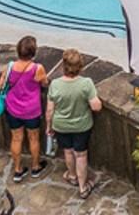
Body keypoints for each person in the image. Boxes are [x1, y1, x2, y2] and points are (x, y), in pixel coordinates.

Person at [46, 48, 104, 198]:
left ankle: (72, 176)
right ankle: (83, 187)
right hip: (81, 126)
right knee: (80, 155)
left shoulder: (55, 84)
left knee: (68, 151)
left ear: (63, 66)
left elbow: (50, 110)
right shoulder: (86, 83)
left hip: (61, 125)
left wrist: (49, 127)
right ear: (80, 66)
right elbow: (96, 106)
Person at [0, 36, 49, 181]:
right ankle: (35, 167)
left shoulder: (9, 67)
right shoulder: (37, 68)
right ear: (33, 52)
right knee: (34, 138)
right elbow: (44, 83)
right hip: (32, 110)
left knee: (16, 138)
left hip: (13, 108)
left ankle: (18, 170)